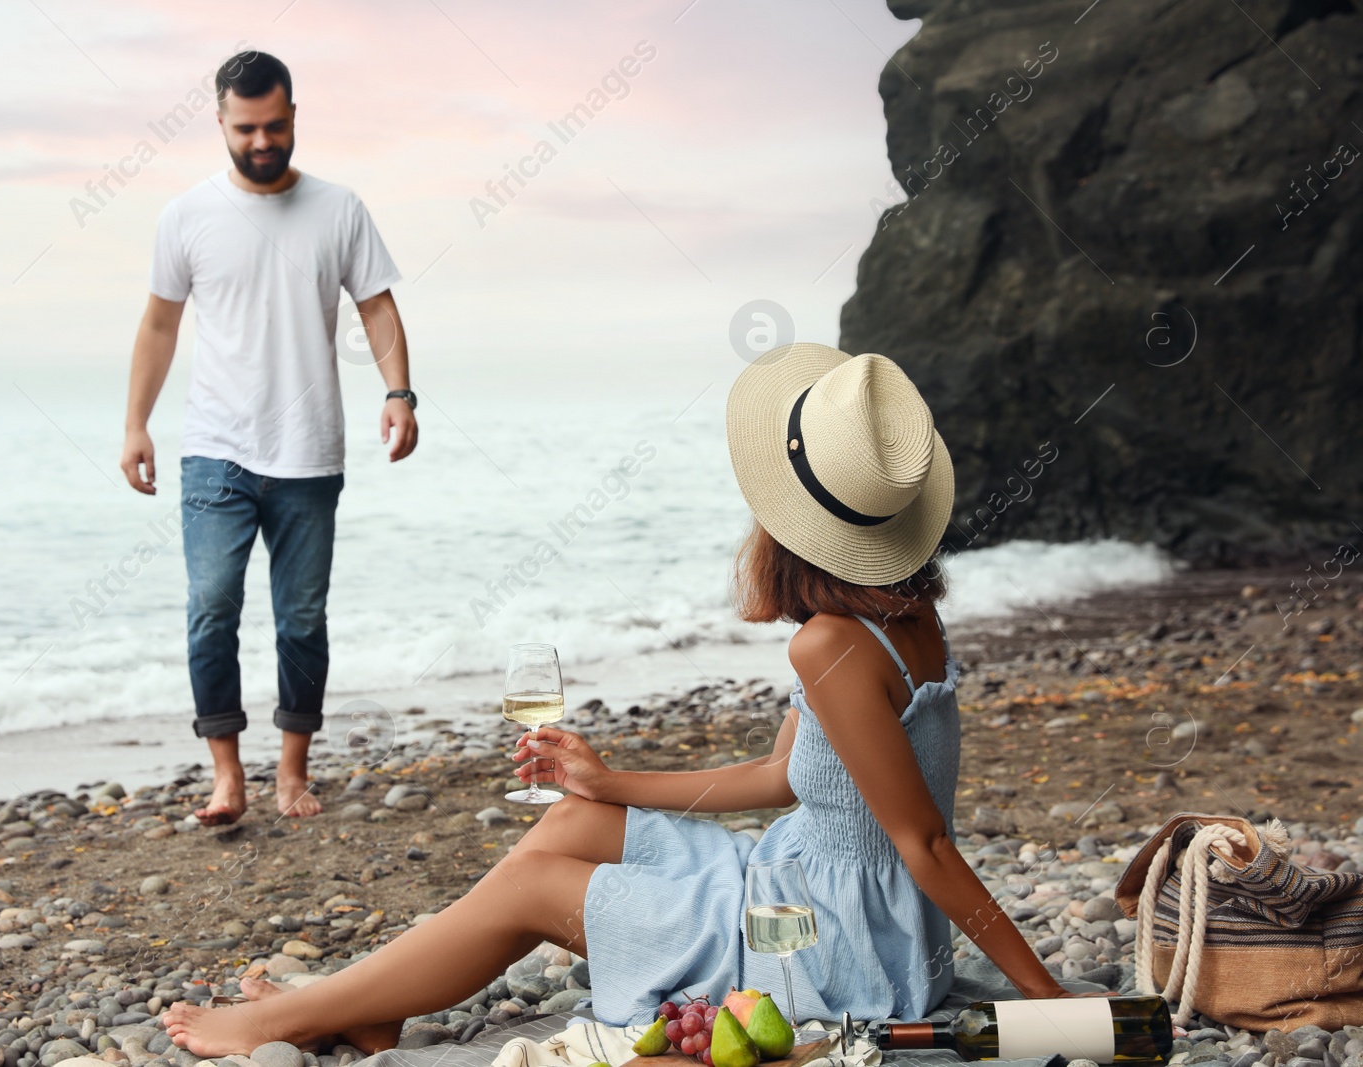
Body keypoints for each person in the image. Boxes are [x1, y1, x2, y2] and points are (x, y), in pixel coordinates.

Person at [161, 343, 1095, 1056]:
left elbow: (924, 842)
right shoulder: (901, 612)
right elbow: (783, 775)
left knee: (532, 885)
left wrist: (1048, 996)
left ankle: (297, 1015)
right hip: (814, 890)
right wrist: (609, 779)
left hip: (823, 941)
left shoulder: (830, 644)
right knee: (568, 823)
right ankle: (371, 999)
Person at [120, 49, 417, 825]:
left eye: (275, 126)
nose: (261, 141)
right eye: (246, 128)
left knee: (302, 619)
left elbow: (377, 308)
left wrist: (399, 393)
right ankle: (227, 774)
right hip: (215, 448)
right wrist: (134, 424)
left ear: (293, 118)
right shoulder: (186, 215)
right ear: (220, 121)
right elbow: (159, 323)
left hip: (309, 451)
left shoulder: (339, 207)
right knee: (211, 606)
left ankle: (291, 770)